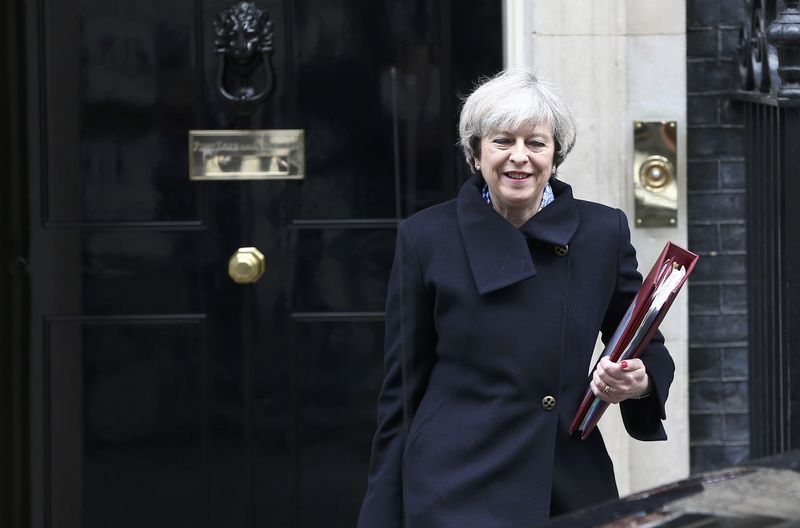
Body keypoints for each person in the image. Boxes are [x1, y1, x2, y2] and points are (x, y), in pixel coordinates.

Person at [357, 69, 675, 527]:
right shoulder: (426, 238)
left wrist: (637, 381)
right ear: (476, 153)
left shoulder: (603, 232)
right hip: (453, 484)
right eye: (502, 141)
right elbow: (401, 394)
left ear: (556, 153)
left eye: (536, 143)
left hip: (565, 482)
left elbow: (648, 344)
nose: (519, 158)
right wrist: (380, 515)